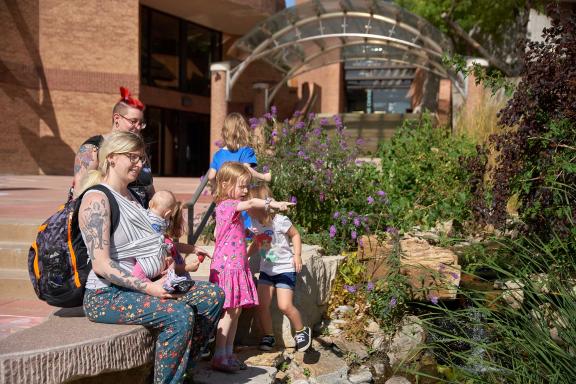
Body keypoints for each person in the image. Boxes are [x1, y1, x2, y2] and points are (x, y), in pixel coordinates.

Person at [77, 131, 224, 383]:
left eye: (142, 158)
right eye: (132, 157)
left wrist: (180, 253)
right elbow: (101, 264)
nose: (140, 164)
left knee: (212, 296)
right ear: (111, 158)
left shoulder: (133, 197)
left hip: (142, 286)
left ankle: (180, 372)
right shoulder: (96, 199)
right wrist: (149, 288)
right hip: (107, 295)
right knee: (179, 315)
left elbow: (151, 242)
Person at [209, 162, 294, 372]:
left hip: (237, 266)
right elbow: (250, 204)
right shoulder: (226, 205)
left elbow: (226, 232)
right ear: (226, 183)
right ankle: (219, 355)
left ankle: (228, 353)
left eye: (247, 186)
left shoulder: (232, 212)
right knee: (229, 312)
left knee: (236, 311)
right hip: (227, 268)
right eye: (242, 186)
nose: (246, 191)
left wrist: (251, 235)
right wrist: (271, 204)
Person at [247, 183, 311, 352]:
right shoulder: (254, 222)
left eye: (251, 204)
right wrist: (245, 255)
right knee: (262, 304)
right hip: (267, 270)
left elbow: (295, 234)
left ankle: (301, 330)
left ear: (261, 206)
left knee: (284, 305)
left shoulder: (280, 221)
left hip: (284, 269)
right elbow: (257, 241)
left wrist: (297, 255)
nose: (247, 207)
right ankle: (268, 336)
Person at [71, 86, 154, 207]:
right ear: (117, 119)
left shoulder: (140, 150)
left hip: (140, 219)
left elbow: (150, 189)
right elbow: (80, 191)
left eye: (141, 123)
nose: (138, 127)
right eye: (133, 121)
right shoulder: (92, 147)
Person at [136, 190, 210, 293]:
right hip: (170, 276)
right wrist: (190, 259)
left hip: (150, 271)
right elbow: (173, 246)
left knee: (137, 276)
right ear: (168, 214)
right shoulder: (164, 239)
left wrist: (189, 261)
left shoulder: (144, 219)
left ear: (150, 204)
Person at [207, 112, 271, 231]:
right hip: (242, 194)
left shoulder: (218, 154)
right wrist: (264, 177)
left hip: (224, 195)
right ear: (243, 130)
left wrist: (216, 188)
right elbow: (247, 169)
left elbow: (211, 175)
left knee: (226, 223)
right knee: (244, 222)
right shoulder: (246, 151)